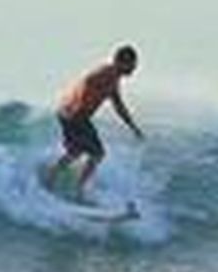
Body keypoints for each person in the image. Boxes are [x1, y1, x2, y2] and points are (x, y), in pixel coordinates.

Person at [43, 45, 143, 202]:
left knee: (76, 152)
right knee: (97, 153)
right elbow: (86, 83)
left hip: (74, 116)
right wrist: (76, 108)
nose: (134, 68)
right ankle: (78, 189)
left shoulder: (113, 78)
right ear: (121, 62)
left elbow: (118, 105)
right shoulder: (104, 74)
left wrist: (133, 127)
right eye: (132, 64)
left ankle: (50, 178)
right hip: (75, 116)